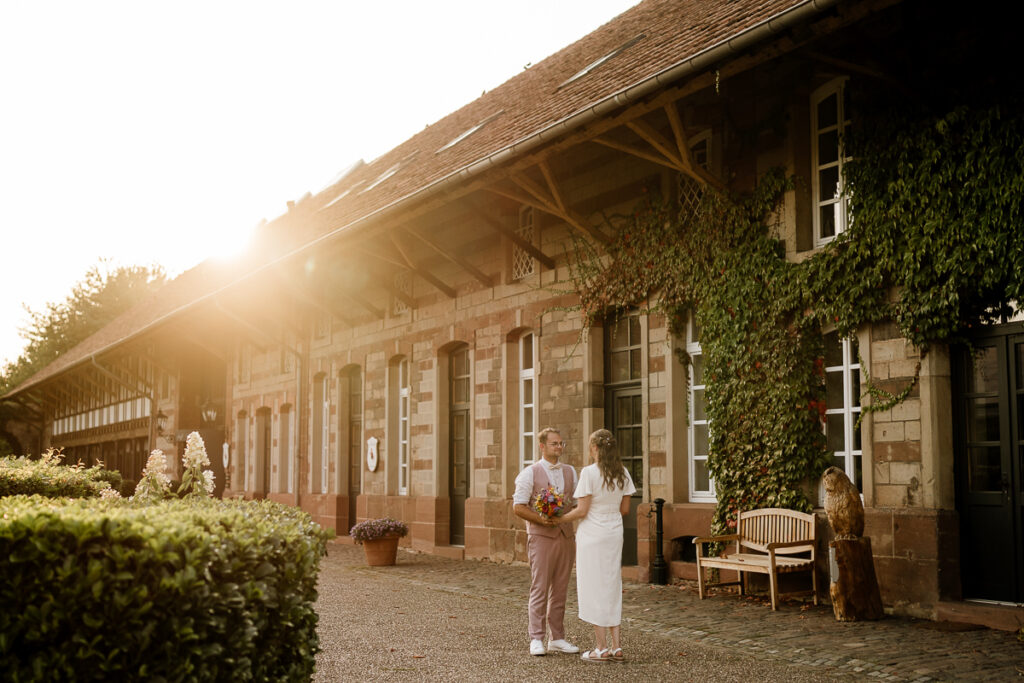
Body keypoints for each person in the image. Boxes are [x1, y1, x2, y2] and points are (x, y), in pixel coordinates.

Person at [560, 429, 636, 663]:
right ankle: (616, 646)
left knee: (593, 586)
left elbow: (582, 510)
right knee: (612, 585)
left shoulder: (590, 473)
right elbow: (624, 510)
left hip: (592, 534)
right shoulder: (623, 472)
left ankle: (600, 648)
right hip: (614, 533)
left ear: (594, 448)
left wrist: (558, 519)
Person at [512, 427, 580, 656]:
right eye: (554, 444)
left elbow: (578, 504)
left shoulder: (571, 471)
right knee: (540, 587)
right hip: (541, 538)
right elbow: (518, 507)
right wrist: (541, 519)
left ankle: (557, 637)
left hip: (566, 536)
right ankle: (536, 638)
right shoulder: (529, 473)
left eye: (561, 443)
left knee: (561, 589)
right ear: (542, 446)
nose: (559, 447)